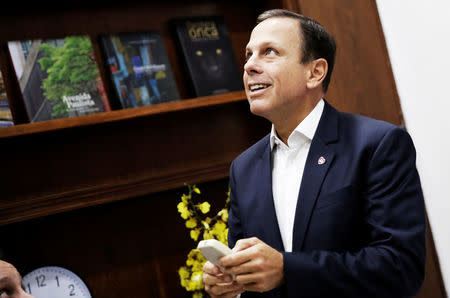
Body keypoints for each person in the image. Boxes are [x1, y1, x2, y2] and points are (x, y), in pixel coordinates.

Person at [202, 8, 426, 298]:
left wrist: (287, 269)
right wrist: (230, 283)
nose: (249, 66)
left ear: (315, 72)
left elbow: (401, 268)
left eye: (269, 52)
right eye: (248, 55)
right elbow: (249, 273)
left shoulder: (377, 145)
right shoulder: (243, 169)